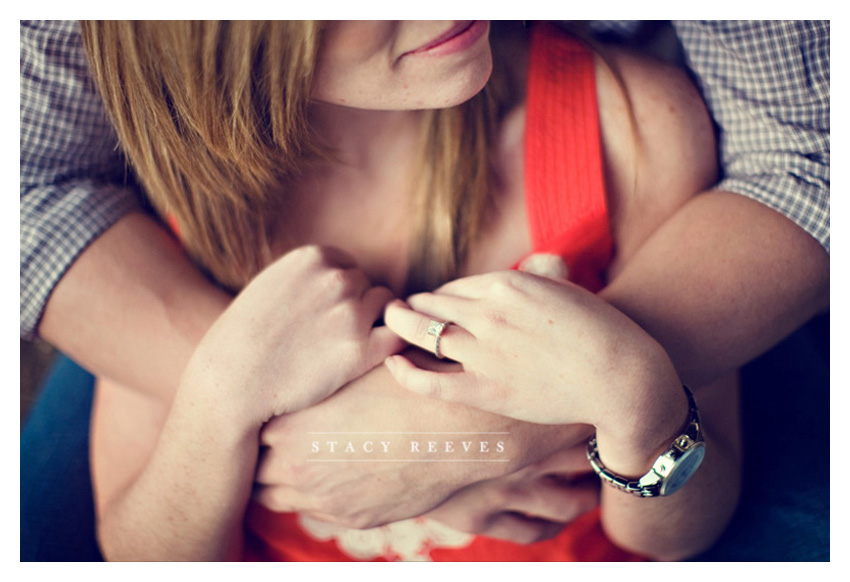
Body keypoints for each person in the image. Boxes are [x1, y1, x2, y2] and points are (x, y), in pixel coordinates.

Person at [19, 20, 828, 561]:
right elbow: (143, 553)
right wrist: (225, 398)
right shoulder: (188, 211)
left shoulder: (630, 128)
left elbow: (675, 533)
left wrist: (634, 393)